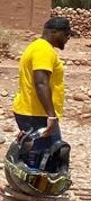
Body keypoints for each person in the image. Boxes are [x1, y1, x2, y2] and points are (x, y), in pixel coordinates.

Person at [12, 15, 72, 167]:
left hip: (34, 112)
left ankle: (29, 187)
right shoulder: (43, 49)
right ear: (53, 32)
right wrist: (51, 116)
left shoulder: (38, 47)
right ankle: (32, 189)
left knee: (38, 154)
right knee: (48, 157)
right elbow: (41, 83)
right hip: (37, 114)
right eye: (66, 34)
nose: (68, 38)